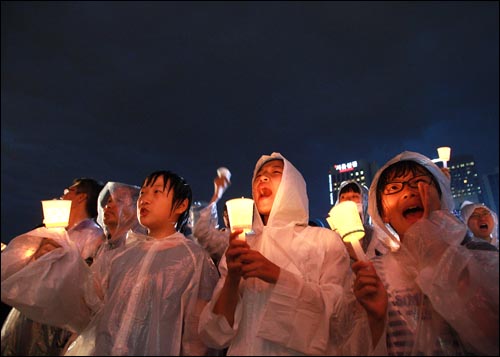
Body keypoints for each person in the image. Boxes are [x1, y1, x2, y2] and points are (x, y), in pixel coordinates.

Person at [2, 171, 219, 355]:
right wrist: (60, 262)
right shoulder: (123, 255)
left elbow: (196, 332)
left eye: (156, 192)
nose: (145, 199)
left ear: (181, 205)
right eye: (143, 192)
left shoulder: (193, 258)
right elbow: (88, 302)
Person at [198, 152, 387, 355]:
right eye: (259, 175)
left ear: (292, 185)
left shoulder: (324, 241)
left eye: (275, 172)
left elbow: (339, 318)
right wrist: (233, 280)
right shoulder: (242, 249)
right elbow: (215, 334)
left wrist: (277, 276)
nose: (263, 177)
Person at [366, 150, 499, 355]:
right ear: (382, 212)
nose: (409, 192)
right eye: (393, 188)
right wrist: (376, 318)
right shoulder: (376, 273)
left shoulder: (479, 254)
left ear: (441, 197)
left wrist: (437, 249)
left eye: (419, 183)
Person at [1, 177, 104, 356]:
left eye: (68, 192)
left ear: (82, 197)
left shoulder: (93, 236)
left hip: (54, 323)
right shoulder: (49, 231)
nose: (62, 196)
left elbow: (85, 281)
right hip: (25, 311)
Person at [328, 180, 383, 261]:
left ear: (364, 202)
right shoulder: (331, 238)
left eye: (354, 196)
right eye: (343, 197)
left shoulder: (377, 235)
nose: (348, 200)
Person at [192, 168, 232, 265]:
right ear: (224, 217)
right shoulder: (227, 240)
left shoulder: (254, 237)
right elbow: (202, 233)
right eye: (229, 213)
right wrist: (217, 195)